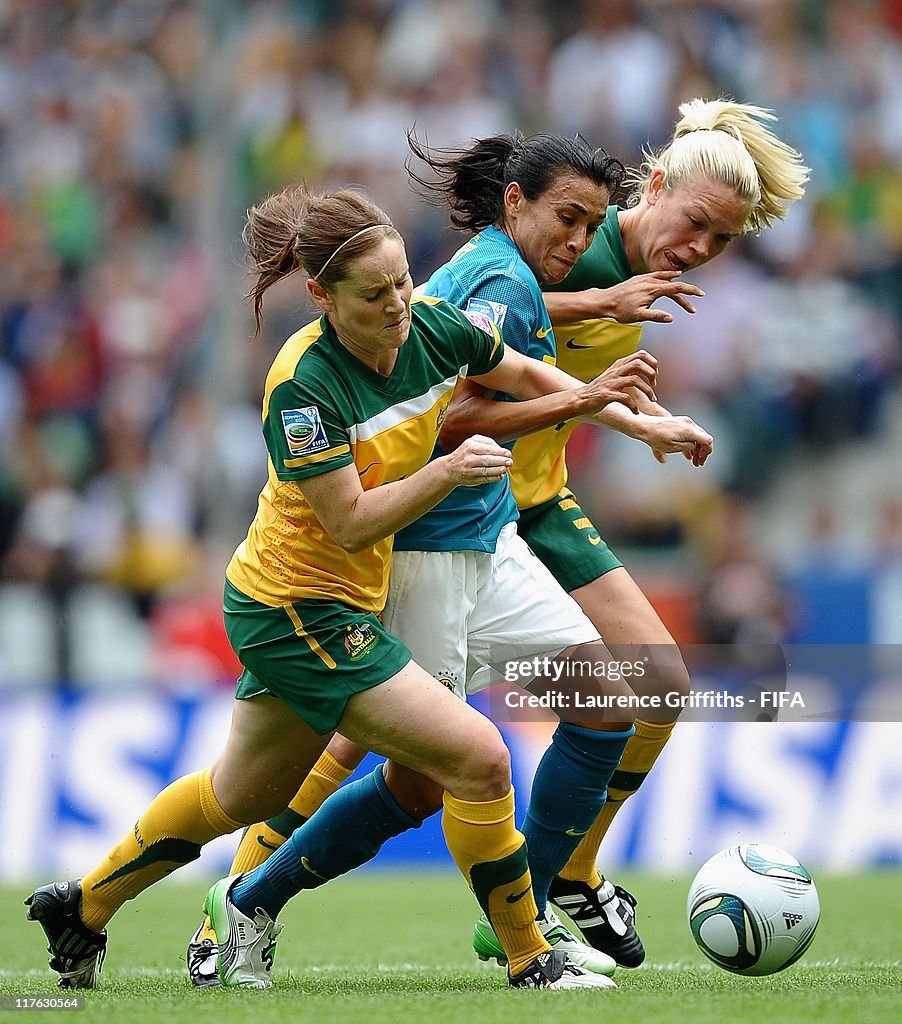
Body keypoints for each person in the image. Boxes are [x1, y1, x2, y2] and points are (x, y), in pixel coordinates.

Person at [185, 97, 808, 983]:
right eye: (696, 223)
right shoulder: (559, 249)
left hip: (530, 503)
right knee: (391, 752)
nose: (702, 249)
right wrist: (600, 328)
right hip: (452, 511)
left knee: (646, 683)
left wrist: (644, 417)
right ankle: (248, 894)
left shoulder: (604, 263)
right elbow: (455, 371)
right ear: (655, 185)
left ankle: (557, 882)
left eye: (722, 241)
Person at [27, 183, 658, 992]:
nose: (399, 304)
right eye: (376, 292)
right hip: (297, 610)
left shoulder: (430, 325)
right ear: (322, 296)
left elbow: (512, 365)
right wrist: (447, 470)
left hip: (335, 604)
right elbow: (353, 521)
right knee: (479, 758)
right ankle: (534, 956)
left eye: (402, 281)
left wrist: (603, 402)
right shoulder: (303, 385)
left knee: (236, 797)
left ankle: (82, 910)